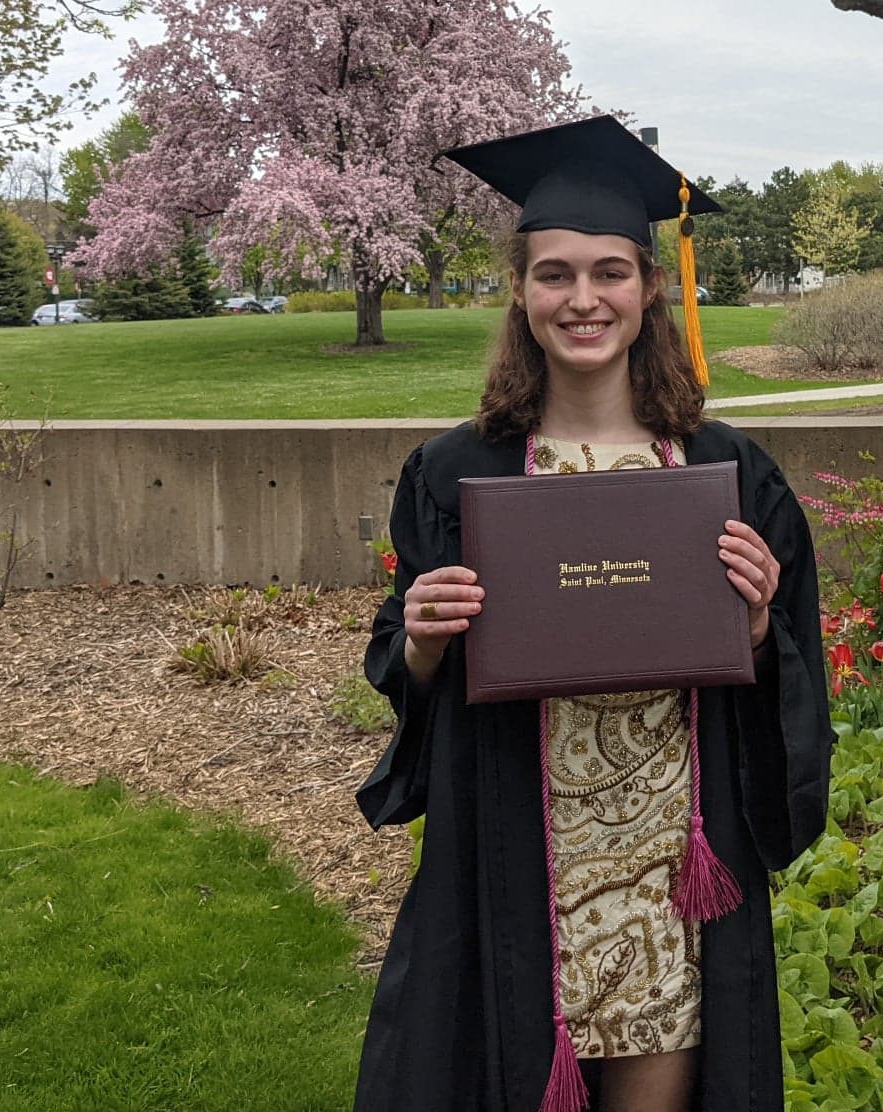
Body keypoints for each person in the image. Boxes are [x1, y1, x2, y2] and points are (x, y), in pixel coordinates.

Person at [353, 117, 831, 1112]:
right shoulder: (456, 473)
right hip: (520, 861)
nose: (583, 300)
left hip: (674, 871)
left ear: (649, 288)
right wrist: (427, 638)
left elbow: (794, 668)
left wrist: (754, 631)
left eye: (609, 272)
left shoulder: (727, 472)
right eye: (555, 274)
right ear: (520, 292)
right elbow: (399, 657)